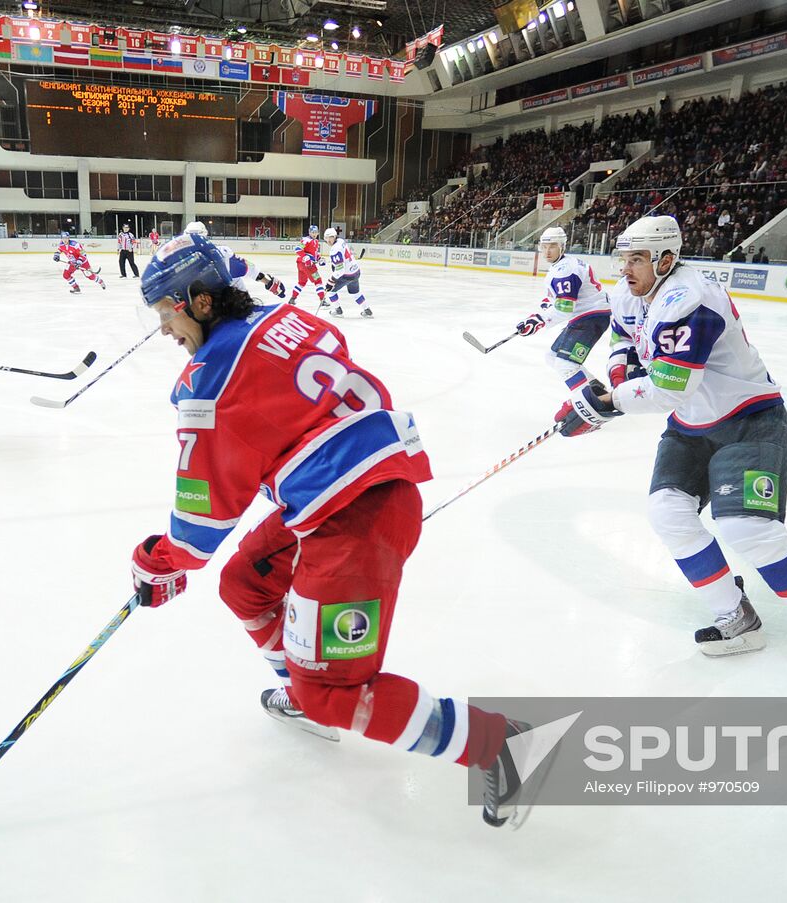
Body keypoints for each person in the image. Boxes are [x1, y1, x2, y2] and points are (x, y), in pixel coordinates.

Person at [129, 235, 538, 828]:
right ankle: (302, 696)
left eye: (166, 311)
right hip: (343, 491)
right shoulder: (281, 315)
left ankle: (498, 743)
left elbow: (200, 526)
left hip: (355, 520)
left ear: (198, 300)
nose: (164, 329)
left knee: (336, 692)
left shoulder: (209, 383)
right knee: (245, 582)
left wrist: (156, 561)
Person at [554, 215, 787, 694]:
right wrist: (616, 380)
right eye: (624, 258)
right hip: (692, 425)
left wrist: (606, 404)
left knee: (747, 528)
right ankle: (735, 614)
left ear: (667, 259)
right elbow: (622, 338)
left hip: (749, 419)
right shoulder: (630, 292)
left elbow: (669, 389)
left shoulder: (688, 300)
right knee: (667, 512)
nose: (626, 269)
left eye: (637, 259)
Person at [513, 226, 611, 392]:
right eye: (544, 247)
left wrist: (541, 320)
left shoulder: (565, 269)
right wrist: (537, 317)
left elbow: (565, 308)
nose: (547, 251)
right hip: (586, 316)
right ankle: (594, 388)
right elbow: (553, 300)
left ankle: (590, 403)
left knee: (565, 363)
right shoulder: (562, 265)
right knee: (552, 357)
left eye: (552, 246)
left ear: (562, 247)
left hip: (591, 317)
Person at [182, 221, 285, 299]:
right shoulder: (221, 253)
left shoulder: (178, 259)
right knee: (235, 281)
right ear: (205, 236)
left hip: (197, 311)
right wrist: (268, 282)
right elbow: (247, 268)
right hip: (229, 305)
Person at [321, 226, 369, 317]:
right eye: (326, 238)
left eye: (330, 237)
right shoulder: (341, 241)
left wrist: (331, 281)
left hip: (347, 275)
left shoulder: (335, 250)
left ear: (334, 236)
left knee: (330, 291)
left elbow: (340, 269)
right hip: (355, 271)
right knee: (356, 293)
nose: (328, 240)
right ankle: (366, 309)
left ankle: (338, 310)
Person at [288, 224, 326, 307]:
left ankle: (292, 299)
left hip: (302, 265)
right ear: (309, 232)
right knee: (318, 281)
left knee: (301, 282)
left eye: (316, 232)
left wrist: (319, 259)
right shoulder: (306, 240)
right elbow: (298, 249)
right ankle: (322, 300)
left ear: (318, 233)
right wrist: (306, 257)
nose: (314, 234)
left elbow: (314, 255)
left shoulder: (315, 241)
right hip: (308, 266)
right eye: (312, 232)